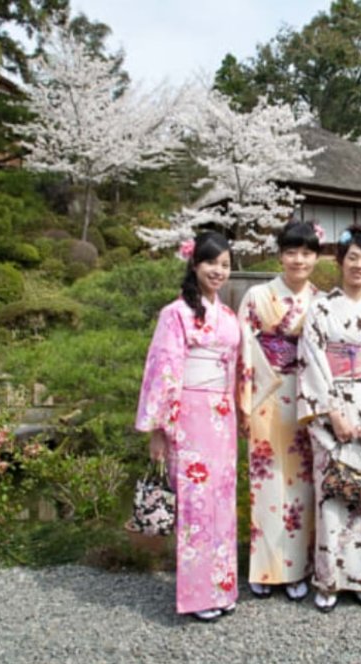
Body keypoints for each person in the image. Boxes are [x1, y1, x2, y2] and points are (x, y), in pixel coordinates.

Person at [134, 231, 240, 622]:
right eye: (212, 262)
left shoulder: (227, 316)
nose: (219, 270)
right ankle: (197, 594)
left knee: (222, 502)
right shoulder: (174, 313)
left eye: (226, 264)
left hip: (222, 414)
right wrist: (160, 429)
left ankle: (223, 585)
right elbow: (163, 370)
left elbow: (236, 366)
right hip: (189, 412)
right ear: (194, 264)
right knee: (195, 503)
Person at [298, 224, 361, 613]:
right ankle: (329, 580)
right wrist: (333, 414)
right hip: (332, 411)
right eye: (352, 257)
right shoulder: (320, 308)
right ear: (339, 261)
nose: (359, 265)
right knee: (332, 496)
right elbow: (311, 363)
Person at [238, 221, 322, 602]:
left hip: (306, 398)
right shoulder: (257, 295)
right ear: (280, 255)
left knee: (303, 487)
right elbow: (243, 350)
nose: (298, 259)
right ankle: (265, 568)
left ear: (316, 257)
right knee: (266, 483)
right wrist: (244, 402)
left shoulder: (321, 301)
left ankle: (298, 569)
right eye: (291, 252)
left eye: (306, 252)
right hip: (265, 394)